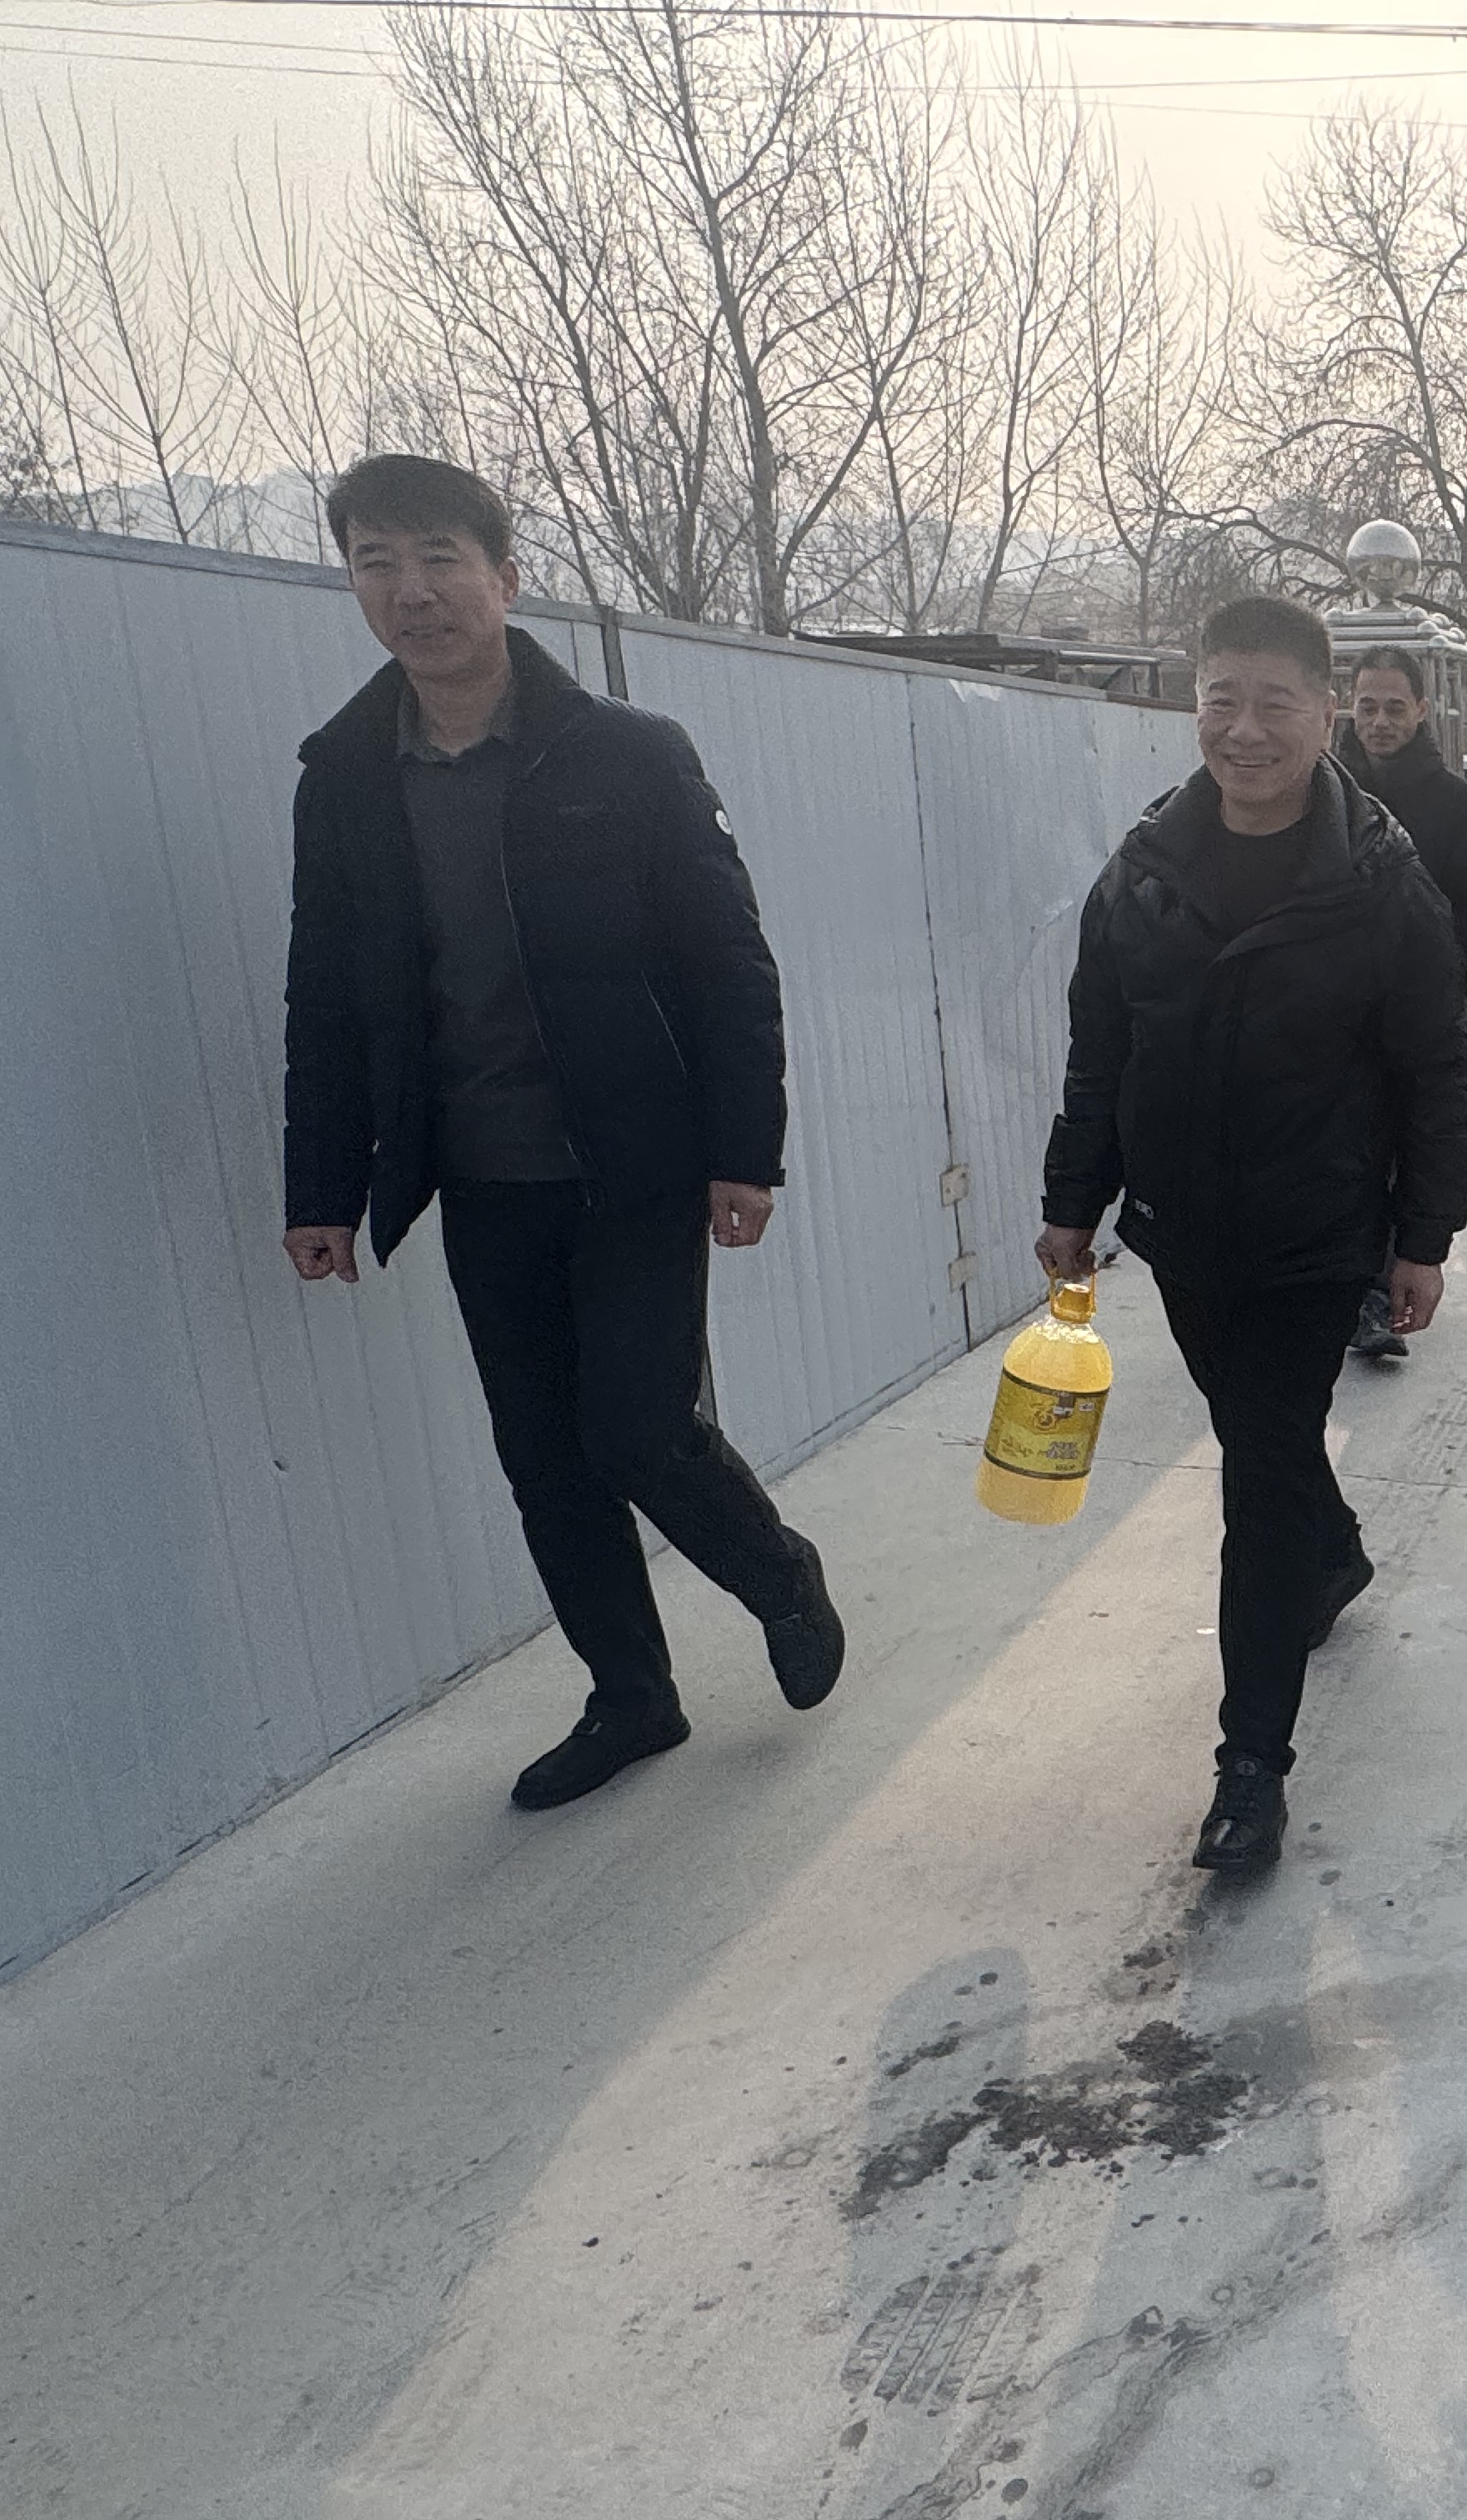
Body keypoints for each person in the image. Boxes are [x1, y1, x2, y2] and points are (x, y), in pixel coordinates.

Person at [280, 453, 843, 1812]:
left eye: (438, 557)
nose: (411, 591)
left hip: (632, 1160)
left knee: (638, 1429)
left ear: (505, 576)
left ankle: (778, 1574)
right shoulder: (344, 775)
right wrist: (321, 1187)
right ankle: (632, 1697)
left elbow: (727, 962)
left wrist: (745, 1150)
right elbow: (326, 993)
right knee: (544, 1455)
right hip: (480, 1175)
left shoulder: (628, 754)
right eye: (375, 562)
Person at [1038, 595, 1467, 1872]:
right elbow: (1100, 1053)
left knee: (1261, 1467)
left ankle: (1252, 1764)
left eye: (1275, 703)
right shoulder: (1142, 873)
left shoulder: (1380, 883)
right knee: (1262, 1441)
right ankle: (1333, 1554)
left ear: (1325, 714)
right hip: (1182, 1231)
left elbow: (1438, 1074)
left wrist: (1422, 1236)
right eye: (1222, 700)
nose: (1246, 730)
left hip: (1315, 1233)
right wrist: (1073, 1201)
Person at [1331, 643, 1467, 1361]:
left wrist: (1422, 980)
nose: (1379, 721)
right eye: (1367, 706)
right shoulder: (1321, 789)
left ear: (1422, 710)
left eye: (1394, 707)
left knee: (1414, 1147)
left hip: (1423, 1015)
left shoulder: (1451, 800)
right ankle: (1352, 1287)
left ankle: (1389, 1282)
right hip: (1332, 1014)